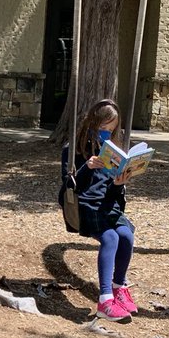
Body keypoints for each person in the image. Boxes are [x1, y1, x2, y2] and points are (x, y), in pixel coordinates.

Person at [60, 98, 140, 322]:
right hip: (85, 206)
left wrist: (119, 183)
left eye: (111, 130)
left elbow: (112, 193)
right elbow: (69, 188)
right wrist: (87, 167)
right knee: (111, 238)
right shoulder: (73, 149)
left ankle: (118, 289)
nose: (106, 133)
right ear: (91, 123)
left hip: (107, 205)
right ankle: (105, 301)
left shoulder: (112, 153)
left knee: (126, 235)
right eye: (103, 128)